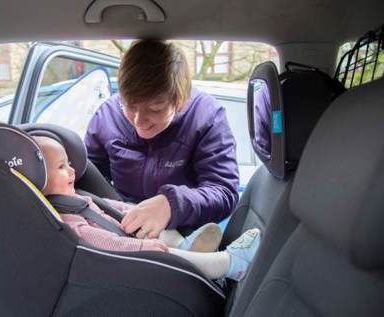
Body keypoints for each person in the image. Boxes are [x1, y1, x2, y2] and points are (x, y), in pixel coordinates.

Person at [35, 136, 260, 281]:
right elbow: (102, 241)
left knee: (157, 225)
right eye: (62, 167)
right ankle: (230, 263)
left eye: (70, 163)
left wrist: (136, 209)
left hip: (129, 233)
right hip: (131, 254)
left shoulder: (76, 196)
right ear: (40, 178)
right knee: (163, 251)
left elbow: (108, 205)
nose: (72, 171)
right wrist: (142, 246)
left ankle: (186, 246)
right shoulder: (67, 218)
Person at [84, 40, 240, 240]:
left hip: (182, 231)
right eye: (130, 106)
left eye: (155, 109)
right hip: (120, 225)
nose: (139, 121)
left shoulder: (207, 117)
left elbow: (224, 192)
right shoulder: (107, 116)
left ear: (180, 99)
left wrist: (172, 205)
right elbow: (88, 176)